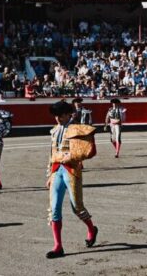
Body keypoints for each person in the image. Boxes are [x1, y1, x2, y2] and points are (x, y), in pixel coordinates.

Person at [45, 101, 99, 259]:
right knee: (54, 208)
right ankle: (58, 246)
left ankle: (91, 228)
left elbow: (90, 151)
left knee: (77, 206)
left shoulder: (78, 128)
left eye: (60, 115)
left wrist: (74, 156)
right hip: (56, 170)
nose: (57, 118)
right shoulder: (54, 131)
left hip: (71, 170)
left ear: (69, 114)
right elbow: (51, 154)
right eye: (56, 115)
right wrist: (49, 174)